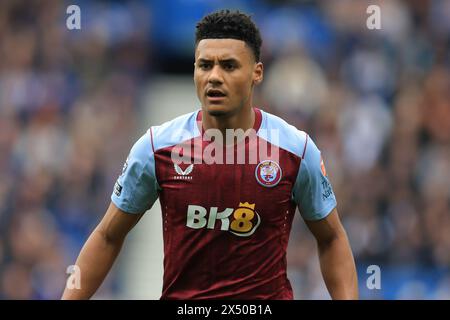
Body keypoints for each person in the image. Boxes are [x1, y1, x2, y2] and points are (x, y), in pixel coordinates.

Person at [62, 10, 358, 300]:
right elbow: (107, 236)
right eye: (205, 65)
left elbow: (331, 238)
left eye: (228, 66)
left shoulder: (295, 150)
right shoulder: (157, 148)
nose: (214, 77)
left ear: (257, 72)